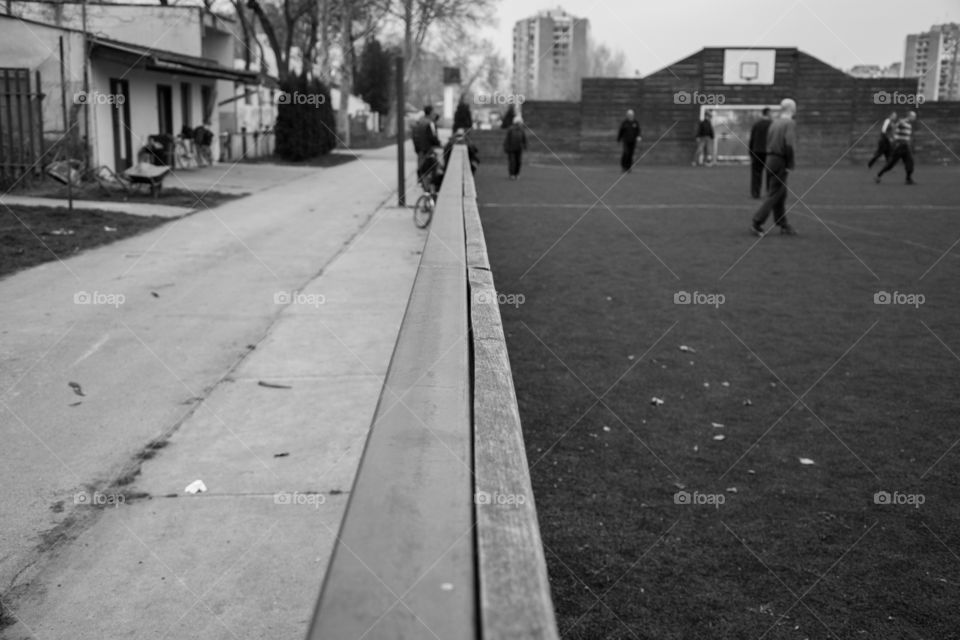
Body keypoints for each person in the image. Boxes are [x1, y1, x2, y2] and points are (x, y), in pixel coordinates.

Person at [750, 98, 798, 237]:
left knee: (780, 194)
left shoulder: (775, 122)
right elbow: (788, 144)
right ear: (791, 109)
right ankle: (757, 222)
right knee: (775, 193)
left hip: (770, 159)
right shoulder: (789, 123)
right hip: (780, 160)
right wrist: (790, 163)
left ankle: (783, 223)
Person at [875, 111, 916, 185]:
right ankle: (878, 175)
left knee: (910, 163)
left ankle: (908, 179)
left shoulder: (909, 125)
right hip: (899, 146)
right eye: (913, 116)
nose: (914, 118)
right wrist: (894, 139)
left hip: (905, 146)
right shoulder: (902, 122)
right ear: (909, 116)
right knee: (891, 164)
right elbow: (894, 128)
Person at [413, 105, 441, 187]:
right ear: (430, 113)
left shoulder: (420, 121)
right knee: (429, 167)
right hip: (427, 149)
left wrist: (417, 148)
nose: (434, 114)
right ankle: (428, 187)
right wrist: (439, 144)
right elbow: (432, 137)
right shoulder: (430, 123)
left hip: (420, 149)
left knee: (421, 165)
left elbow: (414, 135)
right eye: (433, 112)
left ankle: (420, 181)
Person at [748, 108, 773, 198]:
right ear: (768, 113)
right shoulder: (772, 125)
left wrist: (750, 151)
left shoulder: (756, 125)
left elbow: (752, 139)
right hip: (769, 151)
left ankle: (755, 193)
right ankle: (770, 191)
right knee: (770, 173)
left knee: (756, 173)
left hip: (757, 151)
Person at [503, 115, 527, 180]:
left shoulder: (522, 130)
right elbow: (507, 139)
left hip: (519, 149)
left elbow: (524, 138)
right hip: (511, 149)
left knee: (518, 162)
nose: (520, 123)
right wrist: (506, 147)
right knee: (512, 162)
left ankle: (517, 174)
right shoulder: (510, 129)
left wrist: (525, 145)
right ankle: (512, 174)